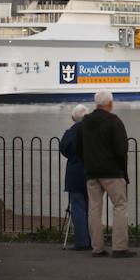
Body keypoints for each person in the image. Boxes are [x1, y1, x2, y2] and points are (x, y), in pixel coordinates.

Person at [79, 90, 135, 258]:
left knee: (94, 209)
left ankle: (97, 247)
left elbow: (79, 147)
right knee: (119, 206)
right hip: (112, 172)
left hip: (91, 172)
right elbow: (121, 149)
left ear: (96, 104)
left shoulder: (85, 122)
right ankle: (119, 247)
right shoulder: (114, 121)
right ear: (110, 104)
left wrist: (87, 163)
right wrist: (122, 169)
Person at [59, 104, 90, 250]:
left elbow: (64, 149)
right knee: (93, 208)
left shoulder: (71, 132)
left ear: (73, 118)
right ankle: (93, 240)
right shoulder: (93, 130)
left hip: (75, 174)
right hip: (92, 173)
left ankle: (82, 242)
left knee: (77, 207)